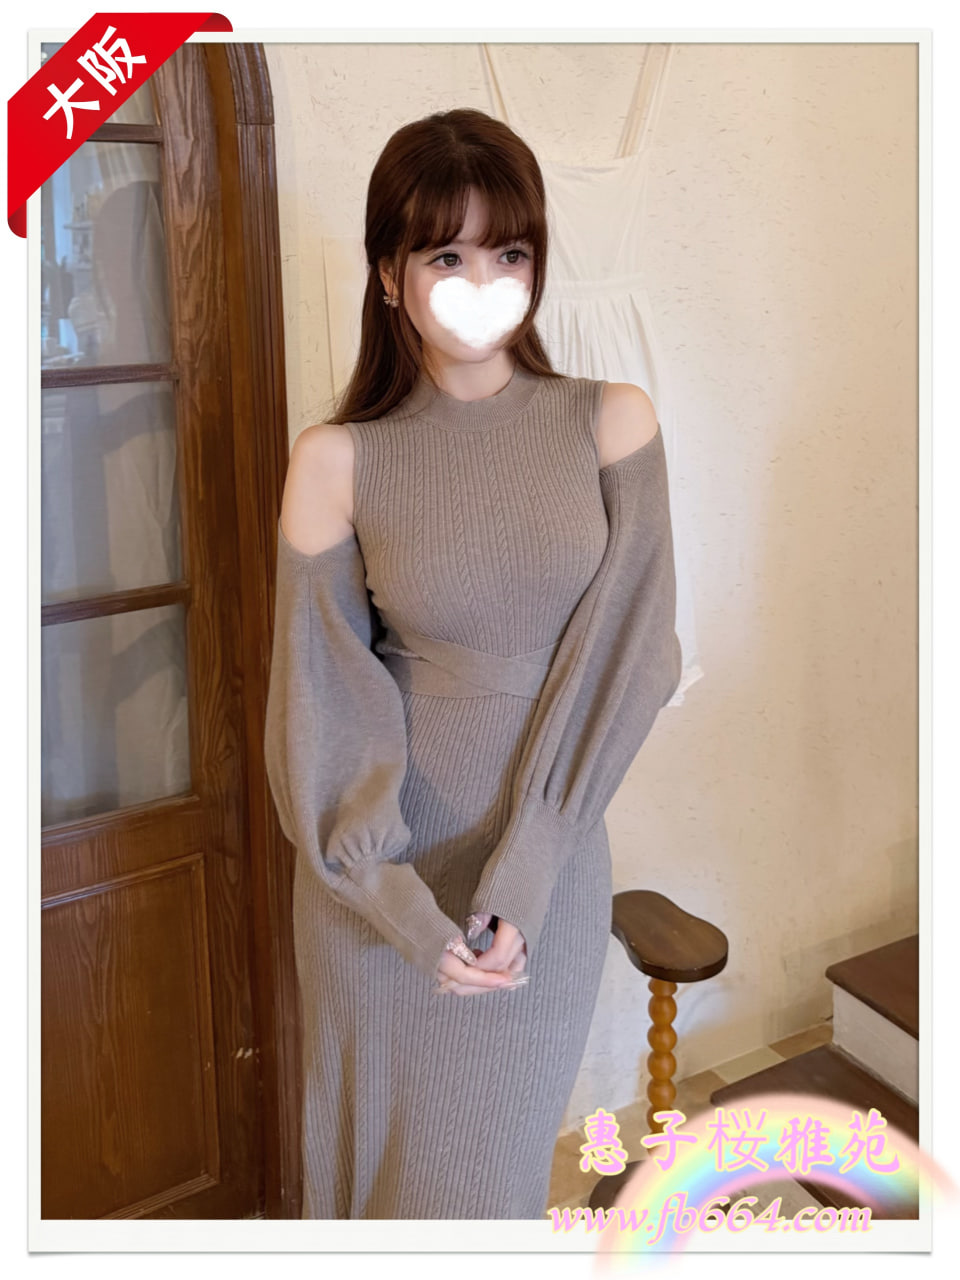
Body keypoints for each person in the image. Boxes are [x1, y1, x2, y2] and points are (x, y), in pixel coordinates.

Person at [264, 107, 682, 1219]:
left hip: (546, 866)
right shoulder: (337, 460)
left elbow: (633, 657)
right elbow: (318, 702)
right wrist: (399, 906)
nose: (483, 282)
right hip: (380, 887)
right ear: (389, 276)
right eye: (446, 255)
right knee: (380, 1193)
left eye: (510, 253)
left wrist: (527, 870)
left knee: (487, 1191)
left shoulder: (611, 423)